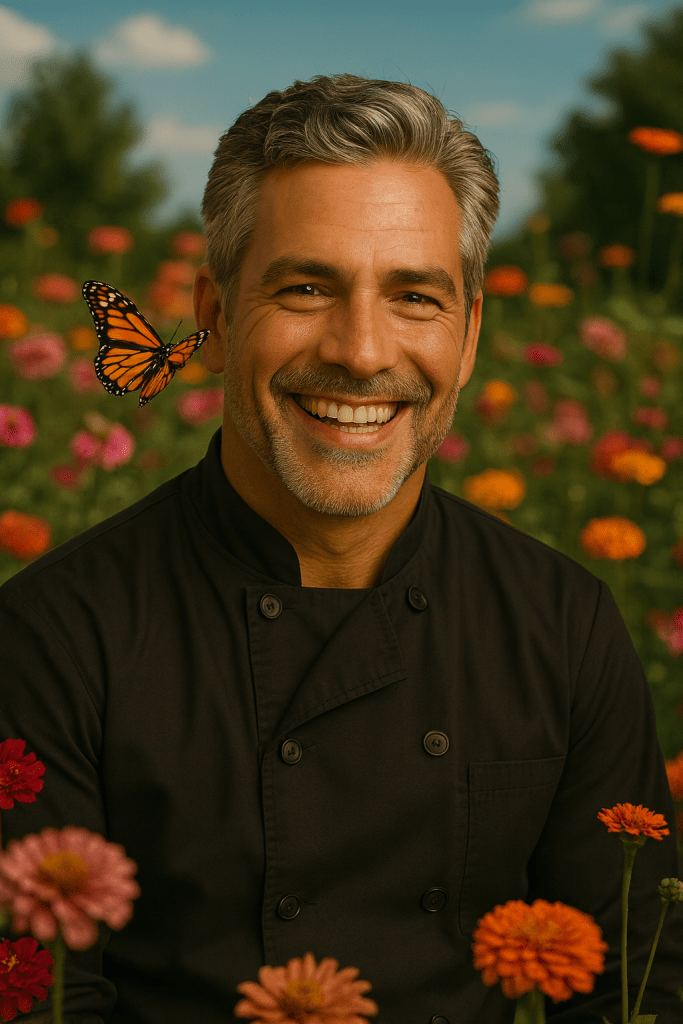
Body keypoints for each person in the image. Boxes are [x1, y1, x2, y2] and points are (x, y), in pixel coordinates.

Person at [1, 74, 681, 1024]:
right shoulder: (53, 636)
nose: (362, 351)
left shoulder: (561, 624)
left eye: (414, 296)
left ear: (471, 332)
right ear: (214, 313)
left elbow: (637, 988)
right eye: (307, 286)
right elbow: (35, 998)